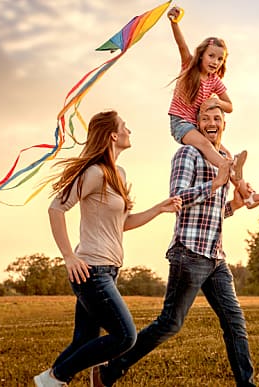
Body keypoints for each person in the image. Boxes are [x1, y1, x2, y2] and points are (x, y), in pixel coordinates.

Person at [92, 104, 256, 386]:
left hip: (215, 257)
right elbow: (177, 198)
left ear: (224, 124)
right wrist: (215, 184)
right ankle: (110, 370)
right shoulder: (187, 153)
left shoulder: (225, 157)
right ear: (197, 125)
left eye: (217, 118)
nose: (211, 122)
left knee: (235, 323)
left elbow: (213, 213)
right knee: (170, 323)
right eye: (204, 118)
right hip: (188, 254)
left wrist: (236, 206)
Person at [33, 110, 182, 387]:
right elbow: (57, 208)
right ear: (114, 134)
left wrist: (159, 209)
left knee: (85, 341)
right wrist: (69, 256)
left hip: (109, 270)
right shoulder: (94, 172)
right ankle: (54, 378)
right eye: (125, 126)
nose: (129, 130)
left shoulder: (118, 174)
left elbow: (122, 224)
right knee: (125, 336)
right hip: (91, 270)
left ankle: (51, 382)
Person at [165, 6, 259, 210]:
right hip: (180, 123)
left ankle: (248, 196)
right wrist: (174, 23)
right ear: (201, 56)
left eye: (219, 59)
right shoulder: (189, 67)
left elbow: (230, 106)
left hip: (196, 126)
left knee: (227, 154)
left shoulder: (215, 81)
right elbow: (181, 45)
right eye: (211, 56)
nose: (215, 62)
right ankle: (228, 168)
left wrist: (216, 102)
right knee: (209, 149)